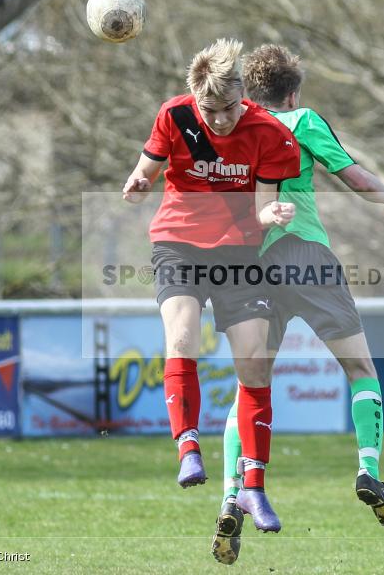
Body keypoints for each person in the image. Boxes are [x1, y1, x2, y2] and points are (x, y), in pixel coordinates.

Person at [211, 44, 384, 565]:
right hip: (304, 251)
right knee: (361, 369)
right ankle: (368, 468)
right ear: (293, 91)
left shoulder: (232, 127)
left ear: (251, 94)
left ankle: (231, 495)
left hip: (249, 263)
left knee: (250, 387)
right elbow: (355, 178)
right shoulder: (300, 119)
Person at [121, 39, 300, 511]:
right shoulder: (173, 116)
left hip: (239, 254)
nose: (219, 119)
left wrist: (273, 213)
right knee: (182, 338)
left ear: (243, 94)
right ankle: (187, 448)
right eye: (209, 110)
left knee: (254, 361)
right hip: (178, 245)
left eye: (228, 108)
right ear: (194, 98)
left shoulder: (270, 134)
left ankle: (254, 489)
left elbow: (262, 209)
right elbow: (144, 174)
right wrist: (138, 184)